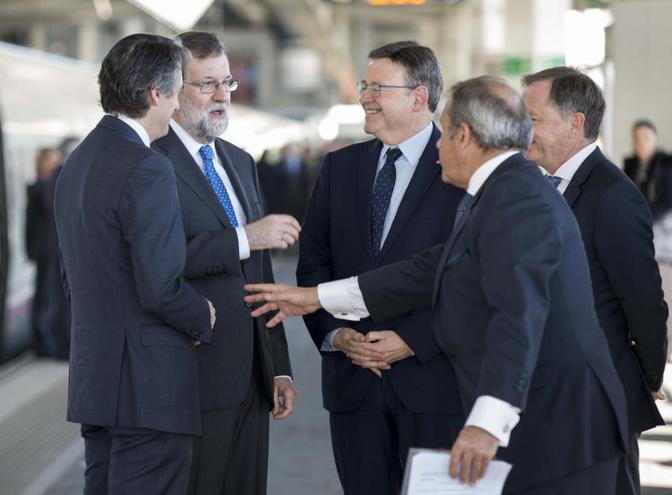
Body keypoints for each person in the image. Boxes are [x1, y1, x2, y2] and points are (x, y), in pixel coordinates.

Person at [245, 76, 629, 494]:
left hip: (560, 431)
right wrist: (315, 297)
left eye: (444, 133)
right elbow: (427, 270)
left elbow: (518, 316)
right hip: (544, 424)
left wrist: (485, 424)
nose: (436, 148)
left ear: (464, 136)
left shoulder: (517, 199)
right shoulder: (497, 191)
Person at [296, 41, 463, 494]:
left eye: (376, 87)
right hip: (355, 387)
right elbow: (314, 266)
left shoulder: (461, 168)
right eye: (364, 86)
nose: (364, 96)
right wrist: (336, 335)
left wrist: (413, 341)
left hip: (435, 385)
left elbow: (471, 276)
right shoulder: (338, 168)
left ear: (418, 96)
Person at [53, 34, 216, 495]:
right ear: (155, 95)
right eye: (178, 90)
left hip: (97, 382)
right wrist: (200, 313)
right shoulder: (148, 166)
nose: (179, 103)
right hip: (149, 390)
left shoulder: (78, 162)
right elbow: (160, 286)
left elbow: (73, 278)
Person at [151, 31, 296, 495]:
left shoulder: (239, 160)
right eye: (205, 84)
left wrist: (278, 365)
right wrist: (243, 237)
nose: (221, 96)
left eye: (227, 83)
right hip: (192, 376)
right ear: (173, 92)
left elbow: (261, 272)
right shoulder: (150, 163)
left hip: (251, 378)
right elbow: (157, 261)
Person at [522, 67, 668, 495]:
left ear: (575, 122)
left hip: (601, 399)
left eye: (531, 119)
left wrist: (644, 380)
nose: (520, 130)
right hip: (548, 397)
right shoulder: (533, 184)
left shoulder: (613, 195)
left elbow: (643, 302)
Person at [24, 148, 64, 357]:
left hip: (47, 250)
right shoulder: (40, 187)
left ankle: (47, 341)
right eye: (54, 160)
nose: (58, 164)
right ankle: (44, 342)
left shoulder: (44, 185)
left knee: (48, 296)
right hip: (45, 251)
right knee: (45, 297)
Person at [623, 119, 672, 221]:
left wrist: (644, 217)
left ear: (656, 139)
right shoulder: (629, 165)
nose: (641, 142)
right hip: (635, 218)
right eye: (636, 138)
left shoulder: (666, 164)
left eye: (646, 137)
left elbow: (668, 201)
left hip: (660, 221)